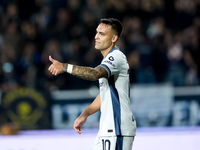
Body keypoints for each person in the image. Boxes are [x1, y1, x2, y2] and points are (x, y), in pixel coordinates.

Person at [48, 18, 136, 150]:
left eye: (102, 34)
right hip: (107, 129)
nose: (96, 36)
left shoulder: (117, 56)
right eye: (97, 32)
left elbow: (94, 74)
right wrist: (85, 114)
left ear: (114, 38)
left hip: (118, 128)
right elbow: (105, 95)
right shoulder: (107, 61)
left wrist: (65, 67)